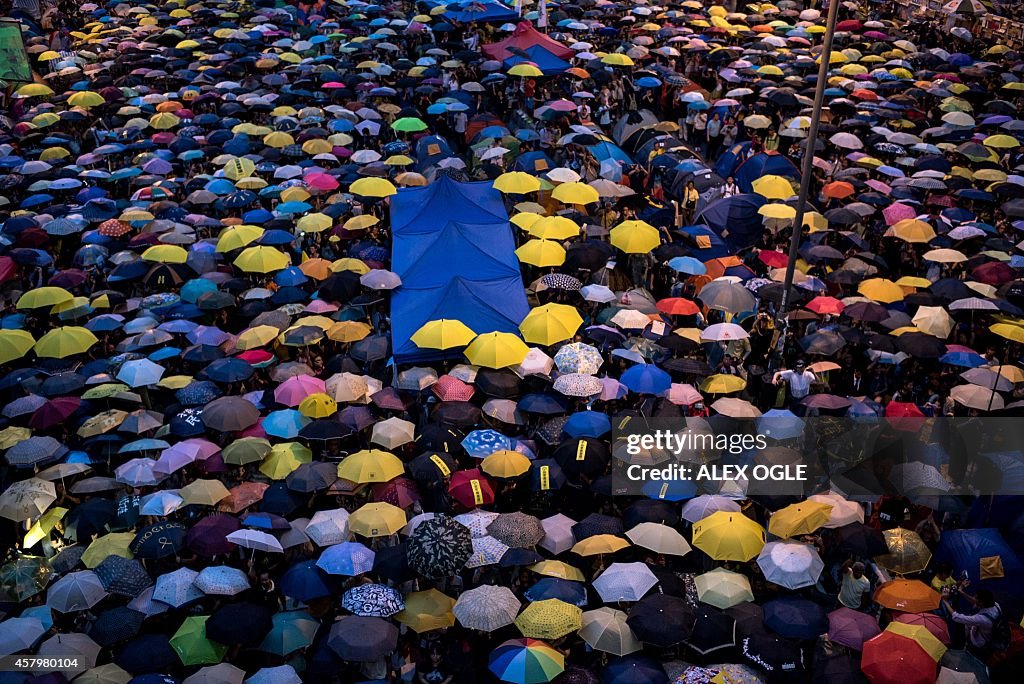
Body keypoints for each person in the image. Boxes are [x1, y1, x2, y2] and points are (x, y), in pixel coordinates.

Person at [944, 587, 1006, 659]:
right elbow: (975, 602)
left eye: (976, 598)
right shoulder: (995, 605)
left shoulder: (983, 619)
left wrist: (945, 601)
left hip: (978, 644)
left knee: (970, 657)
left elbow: (957, 617)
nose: (973, 598)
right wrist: (962, 593)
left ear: (981, 603)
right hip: (989, 633)